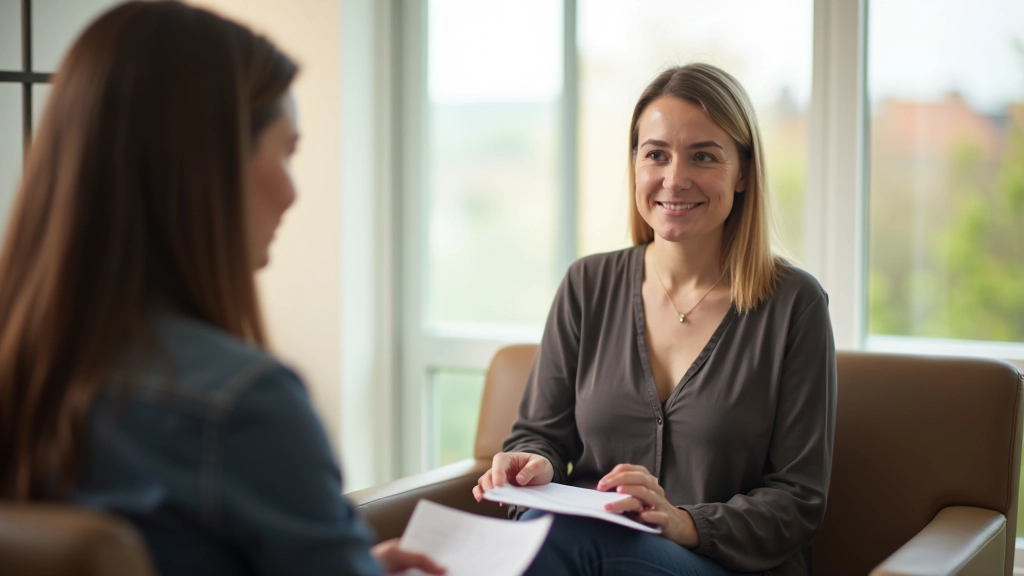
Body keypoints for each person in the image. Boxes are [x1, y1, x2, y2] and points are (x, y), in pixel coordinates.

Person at [0, 3, 442, 575]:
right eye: (286, 152)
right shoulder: (244, 405)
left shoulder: (31, 372)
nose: (293, 192)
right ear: (209, 165)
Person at [473, 63, 837, 576]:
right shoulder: (586, 285)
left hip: (724, 565)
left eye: (703, 156)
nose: (675, 178)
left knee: (553, 538)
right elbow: (539, 435)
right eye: (656, 154)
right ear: (635, 166)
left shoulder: (796, 304)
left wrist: (684, 522)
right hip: (585, 551)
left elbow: (798, 499)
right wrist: (536, 464)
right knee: (544, 528)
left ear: (743, 173)